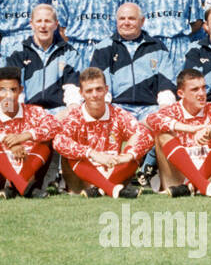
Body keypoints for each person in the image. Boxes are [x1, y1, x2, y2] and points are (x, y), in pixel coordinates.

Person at [52, 67, 153, 198]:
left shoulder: (118, 114)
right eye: (89, 91)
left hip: (113, 168)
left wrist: (128, 155)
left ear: (106, 89)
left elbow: (146, 135)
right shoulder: (74, 117)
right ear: (81, 93)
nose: (95, 94)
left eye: (99, 89)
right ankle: (110, 188)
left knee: (136, 150)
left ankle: (102, 189)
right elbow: (59, 141)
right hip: (83, 176)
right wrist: (92, 154)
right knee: (69, 152)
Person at [144, 69, 211, 197]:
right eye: (195, 89)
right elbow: (151, 119)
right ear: (181, 93)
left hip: (209, 176)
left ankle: (193, 186)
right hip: (176, 179)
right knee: (162, 133)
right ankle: (200, 185)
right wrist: (191, 129)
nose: (202, 93)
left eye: (204, 88)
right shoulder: (173, 110)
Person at [0, 66, 58, 198]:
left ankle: (14, 187)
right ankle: (21, 186)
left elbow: (55, 126)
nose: (8, 95)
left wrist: (24, 136)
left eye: (13, 90)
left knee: (46, 141)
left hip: (29, 173)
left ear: (20, 90)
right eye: (3, 90)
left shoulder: (34, 111)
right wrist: (10, 142)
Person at [88, 3, 175, 123]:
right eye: (122, 19)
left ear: (142, 21)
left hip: (150, 108)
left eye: (132, 18)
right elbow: (99, 86)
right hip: (118, 108)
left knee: (162, 127)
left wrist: (164, 110)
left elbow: (166, 84)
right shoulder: (104, 48)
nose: (126, 23)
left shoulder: (157, 47)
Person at [6, 4, 81, 115]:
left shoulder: (69, 53)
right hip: (28, 113)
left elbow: (73, 91)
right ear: (31, 24)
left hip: (59, 113)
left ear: (56, 25)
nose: (43, 26)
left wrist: (68, 112)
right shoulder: (17, 53)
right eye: (39, 21)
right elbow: (13, 90)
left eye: (47, 21)